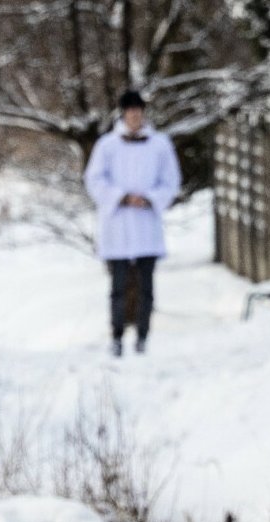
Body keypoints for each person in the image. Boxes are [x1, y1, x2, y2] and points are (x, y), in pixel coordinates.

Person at [84, 90, 182, 356]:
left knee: (146, 287)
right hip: (117, 226)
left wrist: (149, 199)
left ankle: (142, 335)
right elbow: (94, 180)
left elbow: (171, 180)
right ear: (124, 114)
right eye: (130, 111)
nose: (134, 116)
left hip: (146, 225)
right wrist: (121, 197)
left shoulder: (160, 145)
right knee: (118, 287)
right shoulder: (107, 145)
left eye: (138, 111)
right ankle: (117, 335)